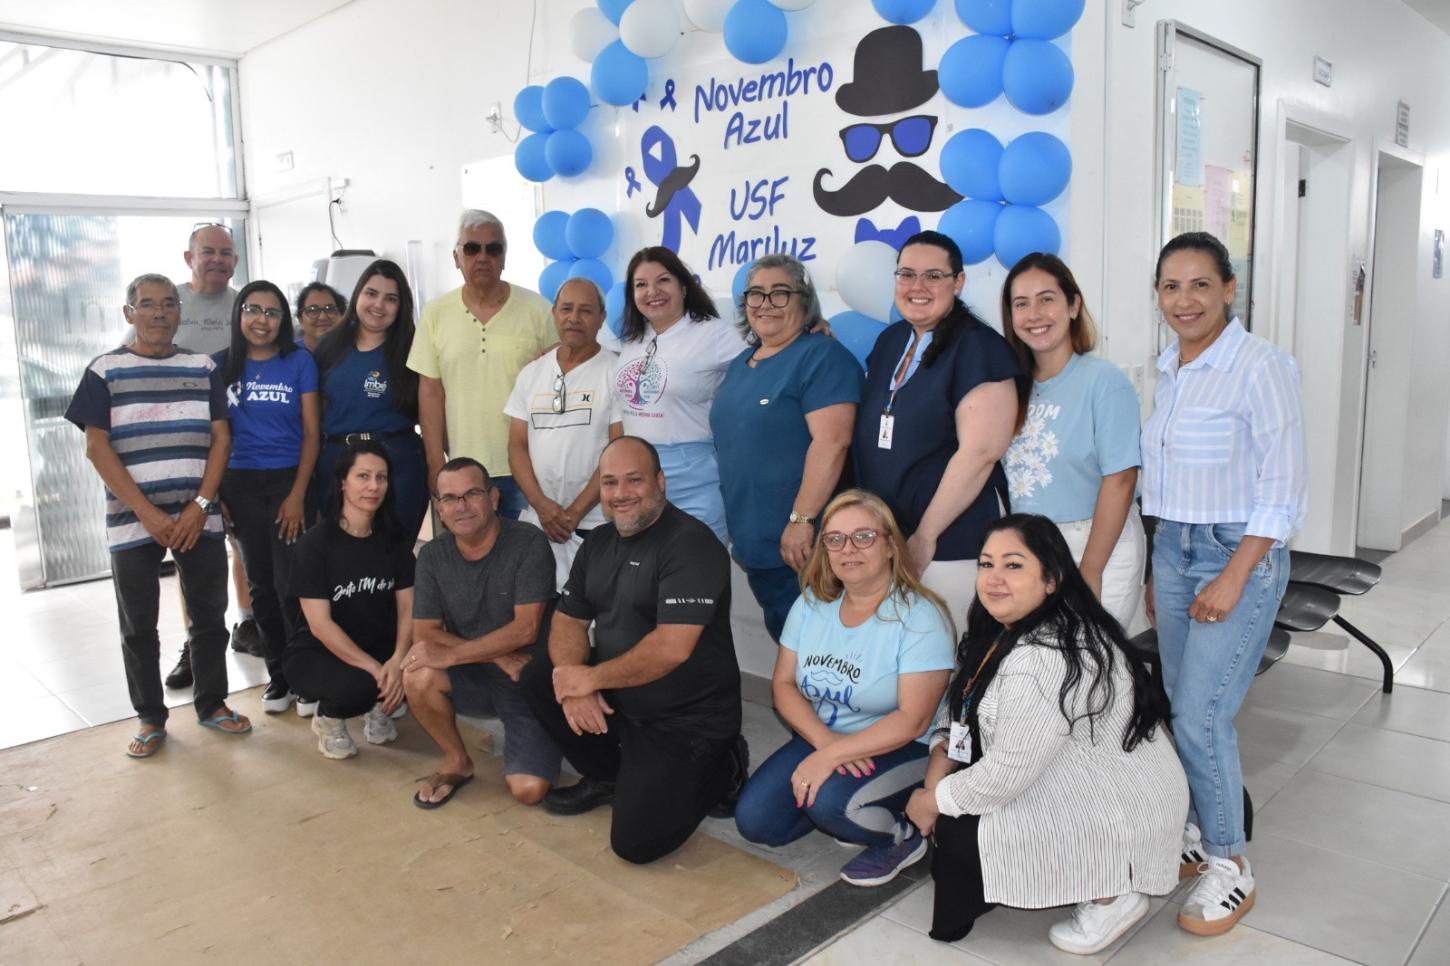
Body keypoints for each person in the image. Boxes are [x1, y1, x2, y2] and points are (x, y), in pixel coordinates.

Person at [905, 514, 1188, 954]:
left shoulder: (1044, 656)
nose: (994, 578)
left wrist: (932, 799)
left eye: (1014, 565)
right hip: (1094, 785)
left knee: (958, 835)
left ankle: (1113, 894)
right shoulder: (1007, 626)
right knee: (956, 819)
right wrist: (940, 761)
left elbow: (1006, 772)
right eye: (986, 564)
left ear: (1051, 580)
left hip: (1120, 813)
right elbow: (962, 700)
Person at [1142, 231, 1307, 937]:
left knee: (1201, 715)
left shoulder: (1261, 366)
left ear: (1230, 289)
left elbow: (1283, 487)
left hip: (1235, 552)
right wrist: (1159, 569)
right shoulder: (1169, 369)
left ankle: (1230, 862)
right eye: (1171, 286)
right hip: (1173, 548)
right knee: (1182, 703)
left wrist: (1236, 574)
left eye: (1201, 284)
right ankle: (1192, 829)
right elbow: (1164, 482)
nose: (1185, 300)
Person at [519, 436, 749, 864]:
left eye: (634, 480)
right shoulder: (598, 542)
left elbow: (671, 648)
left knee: (636, 843)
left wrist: (589, 678)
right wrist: (573, 679)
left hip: (686, 720)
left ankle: (723, 766)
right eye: (609, 483)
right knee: (539, 674)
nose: (620, 493)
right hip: (624, 702)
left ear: (660, 482)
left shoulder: (691, 544)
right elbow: (568, 621)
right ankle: (608, 775)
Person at [65, 273, 251, 758]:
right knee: (138, 623)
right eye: (147, 304)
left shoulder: (202, 367)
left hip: (198, 517)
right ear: (129, 313)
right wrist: (146, 513)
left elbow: (222, 439)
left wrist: (201, 505)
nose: (159, 313)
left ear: (179, 312)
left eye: (168, 304)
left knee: (209, 617)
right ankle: (150, 717)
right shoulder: (104, 370)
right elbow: (96, 447)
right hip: (133, 520)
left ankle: (212, 703)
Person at [734, 490, 954, 887]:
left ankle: (902, 835)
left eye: (863, 536)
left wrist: (831, 757)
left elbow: (913, 720)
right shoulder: (812, 604)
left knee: (831, 803)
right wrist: (826, 746)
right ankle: (846, 804)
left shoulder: (920, 617)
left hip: (903, 745)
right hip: (828, 735)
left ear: (891, 545)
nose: (848, 549)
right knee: (756, 822)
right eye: (834, 539)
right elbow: (783, 685)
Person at [853, 230, 1021, 630]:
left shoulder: (979, 348)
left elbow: (980, 455)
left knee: (950, 648)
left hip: (949, 542)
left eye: (933, 276)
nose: (918, 287)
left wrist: (925, 536)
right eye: (907, 274)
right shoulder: (891, 340)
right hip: (890, 535)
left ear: (958, 282)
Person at [710, 255, 861, 641]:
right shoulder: (742, 364)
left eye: (780, 293)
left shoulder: (822, 356)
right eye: (756, 294)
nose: (766, 304)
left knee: (826, 654)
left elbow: (833, 442)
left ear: (803, 301)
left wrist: (801, 521)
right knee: (792, 649)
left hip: (807, 549)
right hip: (757, 546)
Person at [401, 457, 561, 809]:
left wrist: (453, 653)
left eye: (472, 494)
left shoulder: (528, 542)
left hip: (526, 681)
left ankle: (548, 734)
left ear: (494, 497)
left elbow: (526, 629)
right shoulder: (432, 556)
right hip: (479, 675)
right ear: (440, 510)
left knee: (528, 791)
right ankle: (457, 761)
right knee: (418, 672)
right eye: (450, 498)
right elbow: (425, 633)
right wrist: (496, 656)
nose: (462, 506)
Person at [1000, 253, 1144, 628]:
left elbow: (1121, 479)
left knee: (1090, 657)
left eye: (1046, 299)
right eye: (1021, 304)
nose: (1034, 314)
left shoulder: (1104, 381)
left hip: (1096, 545)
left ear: (1073, 305)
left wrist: (1090, 569)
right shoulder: (1009, 387)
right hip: (1030, 549)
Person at [215, 280, 320, 714]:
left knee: (291, 585)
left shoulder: (299, 361)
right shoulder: (219, 366)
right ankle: (279, 678)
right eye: (253, 310)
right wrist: (216, 494)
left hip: (288, 481)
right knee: (260, 585)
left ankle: (307, 678)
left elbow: (312, 433)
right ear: (239, 314)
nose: (262, 320)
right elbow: (213, 437)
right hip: (239, 484)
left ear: (283, 320)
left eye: (272, 312)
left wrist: (297, 494)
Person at [410, 210, 554, 517]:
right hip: (461, 472)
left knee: (526, 547)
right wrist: (435, 463)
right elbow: (430, 393)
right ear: (456, 257)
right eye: (472, 248)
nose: (483, 257)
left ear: (504, 257)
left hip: (528, 468)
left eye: (494, 248)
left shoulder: (539, 311)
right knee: (469, 548)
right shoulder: (435, 315)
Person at [168, 222, 259, 686]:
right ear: (190, 257)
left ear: (236, 261)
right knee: (193, 546)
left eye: (226, 253)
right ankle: (194, 643)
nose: (218, 260)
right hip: (185, 447)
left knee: (241, 540)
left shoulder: (245, 308)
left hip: (237, 443)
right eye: (208, 252)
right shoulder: (169, 304)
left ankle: (248, 622)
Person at [283, 440, 416, 759]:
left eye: (381, 477)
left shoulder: (394, 539)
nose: (373, 486)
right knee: (359, 687)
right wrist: (376, 671)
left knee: (420, 668)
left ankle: (379, 705)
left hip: (380, 645)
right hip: (320, 651)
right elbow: (320, 625)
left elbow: (408, 609)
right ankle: (328, 718)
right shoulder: (314, 545)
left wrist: (398, 661)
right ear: (343, 481)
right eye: (363, 476)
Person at [611, 247, 745, 542]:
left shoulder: (715, 334)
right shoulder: (633, 341)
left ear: (683, 286)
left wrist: (810, 329)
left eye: (663, 280)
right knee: (644, 569)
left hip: (694, 478)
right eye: (641, 285)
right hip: (637, 482)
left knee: (697, 567)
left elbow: (768, 357)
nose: (652, 292)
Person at [504, 277, 623, 589]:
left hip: (595, 523)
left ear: (602, 318)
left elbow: (618, 452)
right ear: (554, 313)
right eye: (566, 309)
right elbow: (517, 446)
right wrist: (542, 506)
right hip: (539, 522)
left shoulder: (616, 371)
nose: (574, 318)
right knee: (539, 608)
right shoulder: (531, 373)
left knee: (595, 608)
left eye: (586, 310)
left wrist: (574, 513)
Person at [313, 259, 428, 545]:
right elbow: (313, 415)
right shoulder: (328, 346)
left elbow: (432, 410)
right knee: (343, 554)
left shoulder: (415, 349)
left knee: (394, 555)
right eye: (371, 293)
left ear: (401, 306)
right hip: (338, 462)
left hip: (399, 463)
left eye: (391, 298)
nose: (379, 305)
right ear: (357, 295)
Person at [296, 282, 345, 352]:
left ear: (342, 316)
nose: (322, 317)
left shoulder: (354, 353)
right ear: (301, 320)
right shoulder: (288, 354)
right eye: (313, 310)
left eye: (330, 309)